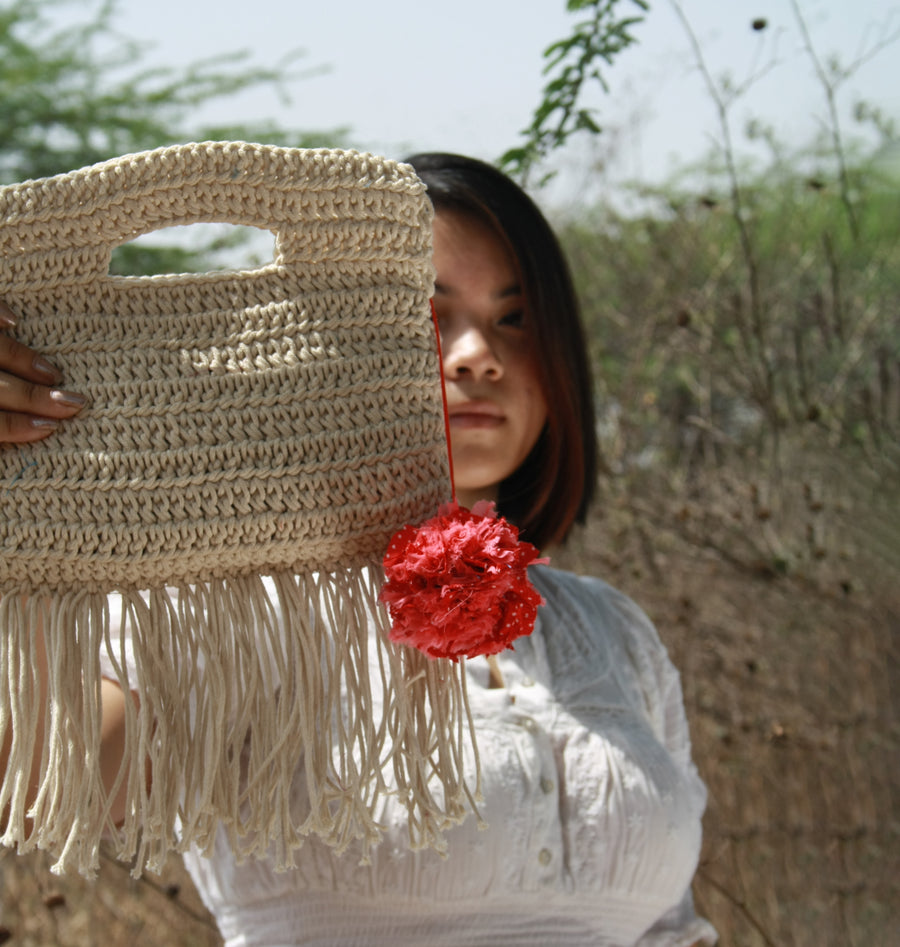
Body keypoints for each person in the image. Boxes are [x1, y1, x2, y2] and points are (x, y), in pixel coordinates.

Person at [0, 152, 716, 946]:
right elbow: (41, 780)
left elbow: (671, 929)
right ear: (325, 350)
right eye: (429, 313)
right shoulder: (241, 609)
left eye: (515, 318)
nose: (477, 354)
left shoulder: (614, 633)